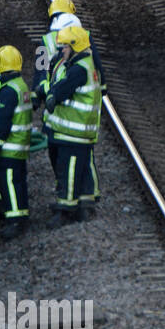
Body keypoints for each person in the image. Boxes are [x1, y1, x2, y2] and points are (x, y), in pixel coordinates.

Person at [42, 26, 102, 225]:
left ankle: (65, 209)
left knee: (68, 169)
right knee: (82, 169)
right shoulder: (86, 65)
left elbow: (64, 88)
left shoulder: (78, 69)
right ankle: (83, 205)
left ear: (75, 47)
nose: (63, 51)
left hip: (72, 131)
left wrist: (52, 97)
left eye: (66, 47)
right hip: (80, 131)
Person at [0, 45, 32, 237]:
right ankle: (22, 215)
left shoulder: (7, 91)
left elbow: (3, 122)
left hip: (9, 147)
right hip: (21, 145)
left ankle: (15, 220)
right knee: (19, 182)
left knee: (9, 183)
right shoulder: (21, 85)